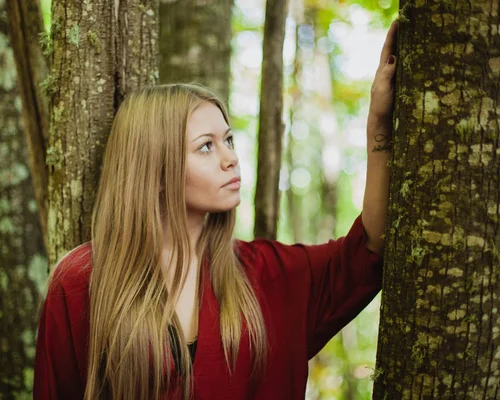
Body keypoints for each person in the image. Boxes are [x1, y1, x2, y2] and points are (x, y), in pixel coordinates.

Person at [33, 21, 399, 400]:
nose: (231, 159)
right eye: (206, 146)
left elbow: (370, 246)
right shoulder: (82, 282)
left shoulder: (267, 274)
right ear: (155, 170)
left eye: (228, 140)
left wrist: (379, 126)